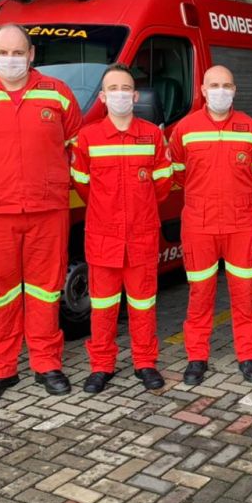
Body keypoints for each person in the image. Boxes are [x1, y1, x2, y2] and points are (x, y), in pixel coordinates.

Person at [0, 24, 82, 402]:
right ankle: (1, 369)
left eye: (18, 52)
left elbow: (75, 145)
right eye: (3, 53)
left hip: (46, 210)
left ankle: (46, 364)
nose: (11, 59)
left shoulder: (58, 95)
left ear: (32, 54)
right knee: (1, 292)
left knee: (44, 291)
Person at [70, 65, 172, 393]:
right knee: (103, 306)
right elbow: (83, 185)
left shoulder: (152, 135)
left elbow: (162, 185)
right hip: (104, 237)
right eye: (113, 89)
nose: (120, 95)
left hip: (141, 235)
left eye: (125, 88)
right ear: (102, 97)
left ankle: (145, 363)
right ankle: (102, 365)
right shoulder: (88, 137)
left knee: (143, 304)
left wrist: (137, 211)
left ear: (136, 95)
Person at [168, 65, 252, 386]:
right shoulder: (185, 128)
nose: (220, 91)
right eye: (214, 85)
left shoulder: (251, 128)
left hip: (241, 225)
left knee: (245, 294)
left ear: (235, 90)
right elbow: (179, 174)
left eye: (227, 85)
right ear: (202, 90)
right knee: (200, 294)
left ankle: (247, 355)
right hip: (199, 225)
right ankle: (197, 357)